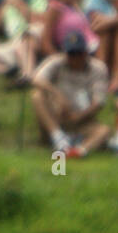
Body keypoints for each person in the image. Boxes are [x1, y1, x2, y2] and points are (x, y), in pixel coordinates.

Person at [30, 30, 110, 158]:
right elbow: (36, 79)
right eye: (71, 54)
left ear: (85, 53)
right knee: (37, 96)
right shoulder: (56, 62)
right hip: (58, 116)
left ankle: (79, 150)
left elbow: (98, 102)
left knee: (104, 131)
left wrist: (77, 117)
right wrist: (57, 94)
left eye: (78, 53)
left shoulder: (98, 68)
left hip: (84, 120)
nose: (74, 58)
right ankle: (58, 138)